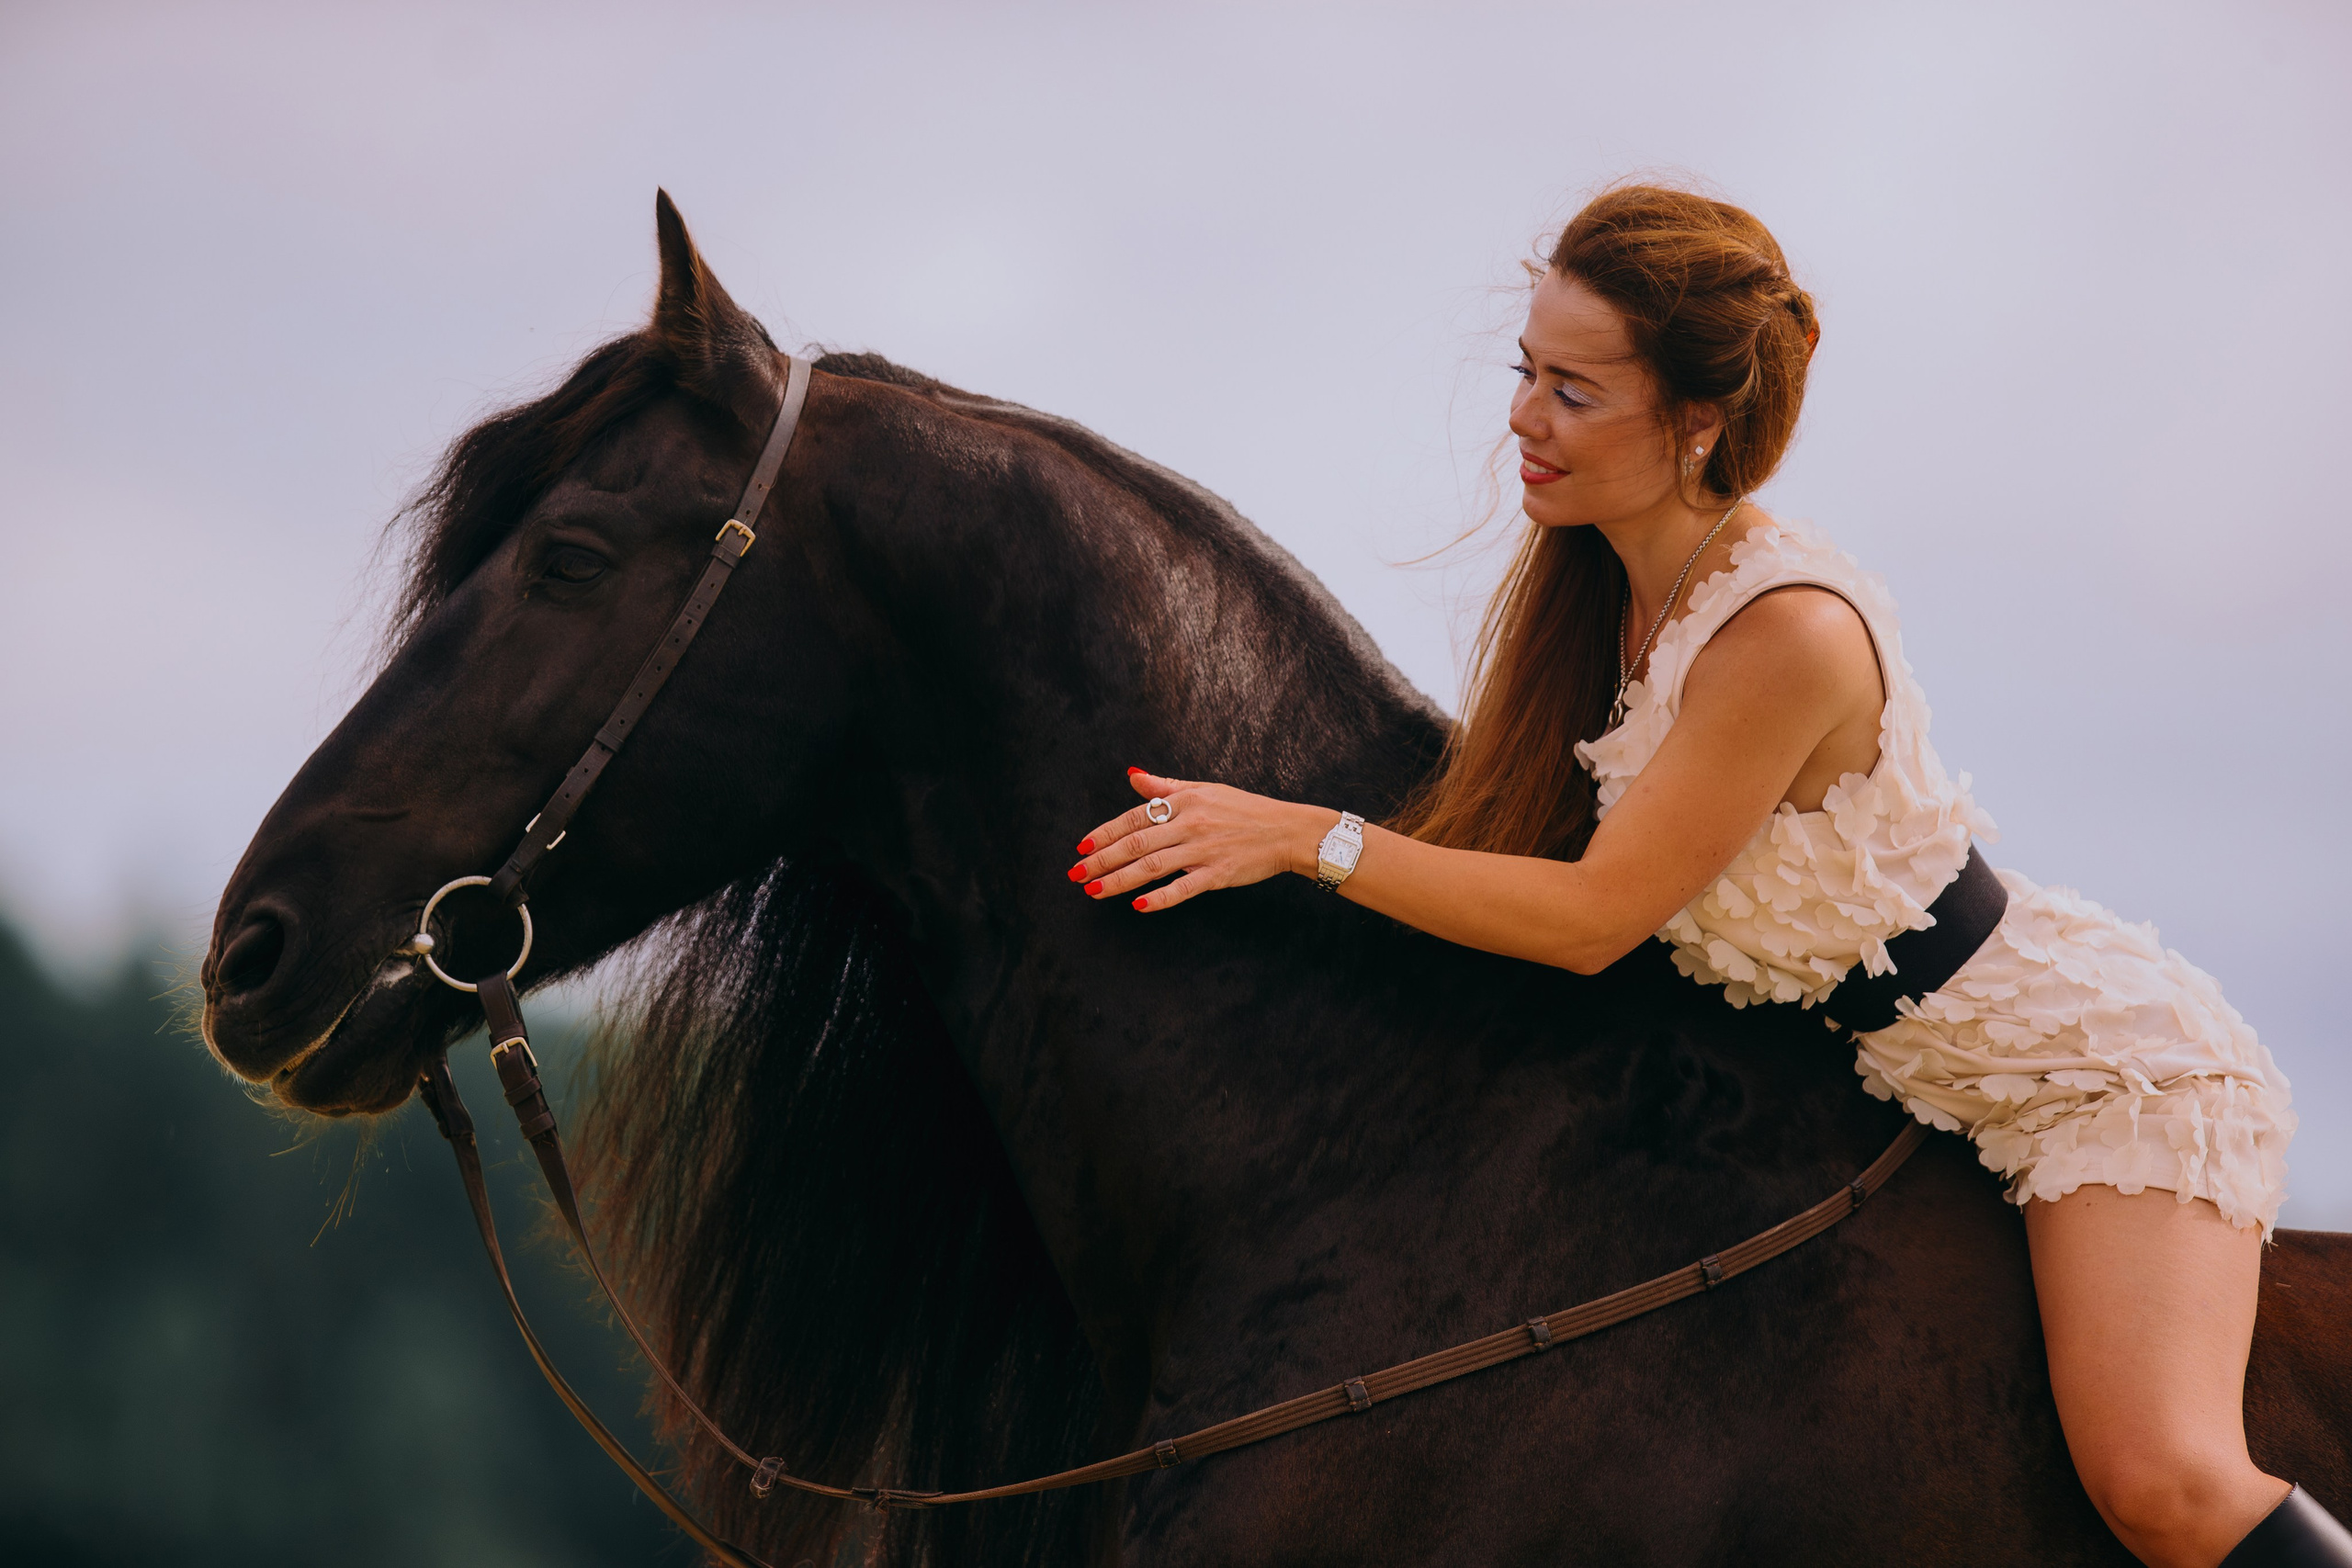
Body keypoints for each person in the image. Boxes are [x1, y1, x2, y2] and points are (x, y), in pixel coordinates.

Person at [1061, 184, 2348, 1568]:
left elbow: (1592, 919)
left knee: (2163, 1483)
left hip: (2094, 1078)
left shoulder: (1785, 634)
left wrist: (1304, 837)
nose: (1524, 418)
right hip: (1896, 1071)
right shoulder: (1613, 583)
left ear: (1697, 422)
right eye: (1525, 373)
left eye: (1574, 392)